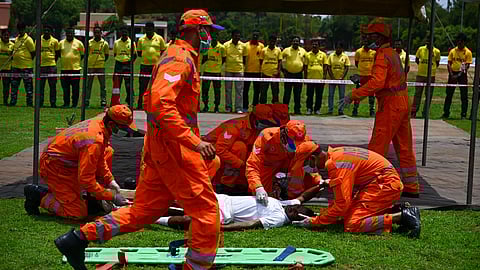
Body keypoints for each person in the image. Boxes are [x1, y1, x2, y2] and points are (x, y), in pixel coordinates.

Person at [54, 9, 225, 270]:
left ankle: (78, 238)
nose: (210, 37)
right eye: (208, 31)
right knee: (206, 210)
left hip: (162, 148)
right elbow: (159, 104)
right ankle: (198, 267)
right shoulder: (180, 59)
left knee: (144, 212)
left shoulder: (178, 56)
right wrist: (193, 141)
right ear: (196, 30)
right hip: (176, 150)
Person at [341, 18, 419, 197]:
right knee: (404, 146)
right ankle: (411, 186)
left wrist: (354, 95)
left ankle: (369, 184)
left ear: (379, 36)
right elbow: (386, 81)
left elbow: (378, 83)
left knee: (377, 145)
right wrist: (363, 79)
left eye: (370, 35)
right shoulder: (392, 53)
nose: (366, 39)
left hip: (391, 105)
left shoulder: (383, 55)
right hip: (402, 101)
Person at [23, 105, 134, 219]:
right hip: (54, 167)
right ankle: (37, 195)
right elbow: (86, 179)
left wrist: (110, 180)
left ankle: (92, 199)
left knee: (108, 151)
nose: (125, 133)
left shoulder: (99, 124)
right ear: (111, 124)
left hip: (65, 163)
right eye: (122, 129)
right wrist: (111, 196)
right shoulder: (94, 140)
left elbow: (99, 158)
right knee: (76, 213)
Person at [292, 146, 421, 238]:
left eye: (305, 163)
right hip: (379, 183)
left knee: (352, 224)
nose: (306, 168)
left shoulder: (338, 165)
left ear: (313, 158)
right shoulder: (336, 154)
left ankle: (403, 216)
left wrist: (315, 222)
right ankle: (395, 211)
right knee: (348, 215)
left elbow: (342, 204)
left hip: (384, 186)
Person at [156, 184, 324, 231]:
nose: (293, 209)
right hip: (222, 199)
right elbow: (302, 197)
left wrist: (223, 228)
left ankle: (154, 219)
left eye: (295, 212)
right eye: (295, 208)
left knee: (188, 220)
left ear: (296, 219)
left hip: (224, 213)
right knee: (182, 201)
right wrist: (321, 185)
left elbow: (251, 224)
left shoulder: (279, 218)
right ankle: (140, 207)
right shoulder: (285, 205)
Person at [202, 104, 278, 194]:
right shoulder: (235, 126)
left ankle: (241, 184)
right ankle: (226, 185)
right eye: (264, 122)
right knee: (239, 147)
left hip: (229, 154)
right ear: (254, 118)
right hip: (210, 150)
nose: (265, 125)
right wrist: (241, 164)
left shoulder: (255, 129)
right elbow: (220, 149)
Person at [247, 120, 321, 204]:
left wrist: (318, 180)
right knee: (263, 199)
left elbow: (309, 164)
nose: (296, 146)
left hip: (291, 165)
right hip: (268, 166)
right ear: (284, 135)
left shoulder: (305, 140)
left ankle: (293, 198)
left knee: (307, 153)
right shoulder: (266, 136)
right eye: (293, 142)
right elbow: (252, 164)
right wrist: (258, 187)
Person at [442, 32, 472, 120]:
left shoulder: (468, 52)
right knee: (449, 94)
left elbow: (467, 65)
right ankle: (446, 112)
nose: (459, 43)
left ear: (464, 42)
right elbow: (449, 63)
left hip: (462, 75)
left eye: (461, 41)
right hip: (452, 74)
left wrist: (459, 74)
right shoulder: (453, 51)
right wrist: (451, 74)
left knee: (464, 95)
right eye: (458, 41)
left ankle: (463, 114)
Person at [137, 22, 166, 109]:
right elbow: (139, 53)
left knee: (156, 87)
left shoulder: (159, 38)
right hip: (144, 66)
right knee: (142, 86)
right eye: (147, 29)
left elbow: (163, 51)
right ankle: (140, 104)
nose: (148, 30)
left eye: (150, 29)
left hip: (156, 67)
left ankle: (155, 105)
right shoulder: (141, 39)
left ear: (153, 29)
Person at [412, 38, 441, 118]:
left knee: (428, 95)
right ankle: (413, 111)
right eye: (427, 41)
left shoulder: (437, 51)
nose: (428, 43)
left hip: (431, 76)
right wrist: (422, 66)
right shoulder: (421, 49)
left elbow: (437, 63)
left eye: (430, 41)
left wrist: (432, 68)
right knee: (417, 94)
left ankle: (425, 113)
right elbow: (417, 60)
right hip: (420, 75)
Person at [10, 22, 35, 107]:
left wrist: (26, 59)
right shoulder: (17, 38)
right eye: (19, 29)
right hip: (15, 66)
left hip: (26, 67)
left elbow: (33, 52)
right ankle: (13, 102)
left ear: (24, 29)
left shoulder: (28, 39)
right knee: (14, 86)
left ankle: (29, 103)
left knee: (28, 88)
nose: (20, 31)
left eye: (22, 29)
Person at [59, 27, 85, 108]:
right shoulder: (61, 43)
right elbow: (58, 54)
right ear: (66, 34)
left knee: (75, 89)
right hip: (64, 69)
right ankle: (66, 103)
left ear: (73, 34)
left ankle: (74, 104)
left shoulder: (79, 43)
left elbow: (82, 54)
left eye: (71, 33)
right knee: (65, 89)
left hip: (75, 70)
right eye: (68, 33)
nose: (69, 34)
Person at [111, 26, 137, 106]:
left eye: (126, 32)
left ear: (128, 33)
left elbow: (134, 55)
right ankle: (116, 101)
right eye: (123, 32)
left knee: (128, 84)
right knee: (117, 83)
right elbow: (115, 54)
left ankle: (129, 101)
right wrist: (120, 59)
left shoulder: (132, 43)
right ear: (120, 33)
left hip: (127, 64)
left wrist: (128, 63)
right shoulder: (116, 42)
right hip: (118, 64)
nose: (124, 34)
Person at [223, 29, 247, 113]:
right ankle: (228, 107)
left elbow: (244, 58)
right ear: (232, 36)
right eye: (236, 36)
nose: (238, 37)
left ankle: (238, 108)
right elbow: (224, 58)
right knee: (228, 90)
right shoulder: (226, 45)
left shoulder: (243, 46)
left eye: (239, 36)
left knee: (239, 90)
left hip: (239, 70)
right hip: (228, 69)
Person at [282, 36, 306, 115]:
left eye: (297, 41)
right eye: (294, 41)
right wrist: (283, 70)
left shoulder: (303, 51)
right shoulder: (286, 50)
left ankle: (297, 110)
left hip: (298, 75)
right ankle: (284, 110)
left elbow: (305, 62)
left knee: (297, 93)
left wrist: (302, 69)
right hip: (288, 74)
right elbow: (280, 60)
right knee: (287, 93)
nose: (295, 42)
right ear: (291, 42)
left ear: (299, 42)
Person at [86, 25, 109, 108]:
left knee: (103, 85)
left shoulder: (104, 43)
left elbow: (106, 55)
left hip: (101, 66)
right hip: (90, 66)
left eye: (98, 32)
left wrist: (101, 60)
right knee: (88, 85)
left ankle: (103, 101)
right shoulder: (89, 42)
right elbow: (86, 54)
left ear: (101, 33)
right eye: (95, 32)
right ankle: (86, 101)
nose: (97, 34)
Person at [201, 31, 224, 113]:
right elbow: (204, 58)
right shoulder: (207, 46)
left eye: (216, 36)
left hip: (217, 73)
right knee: (205, 90)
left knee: (217, 91)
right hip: (207, 72)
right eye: (213, 36)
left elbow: (223, 59)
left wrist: (218, 67)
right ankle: (206, 106)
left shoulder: (221, 47)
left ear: (218, 37)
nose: (214, 38)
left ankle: (216, 107)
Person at [352, 37, 376, 117]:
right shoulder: (358, 52)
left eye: (368, 41)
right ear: (363, 42)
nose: (366, 43)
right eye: (365, 41)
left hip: (370, 76)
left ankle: (372, 110)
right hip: (361, 76)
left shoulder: (374, 52)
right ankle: (355, 110)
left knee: (371, 95)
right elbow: (356, 63)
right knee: (358, 93)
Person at [304, 38, 327, 115]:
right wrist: (305, 78)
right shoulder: (308, 54)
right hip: (310, 79)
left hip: (320, 79)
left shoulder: (323, 55)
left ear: (319, 46)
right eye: (313, 44)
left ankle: (317, 109)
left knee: (319, 95)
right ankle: (309, 108)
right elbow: (305, 67)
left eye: (316, 45)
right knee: (309, 95)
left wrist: (324, 77)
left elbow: (325, 66)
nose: (314, 46)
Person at [39, 25, 60, 108]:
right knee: (40, 86)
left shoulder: (55, 41)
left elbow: (57, 53)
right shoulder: (38, 40)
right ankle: (40, 102)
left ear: (51, 32)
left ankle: (53, 102)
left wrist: (52, 61)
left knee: (52, 86)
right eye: (45, 30)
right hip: (41, 66)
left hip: (51, 66)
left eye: (48, 30)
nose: (46, 32)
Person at [326, 41, 350, 115]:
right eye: (337, 48)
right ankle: (330, 110)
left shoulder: (345, 56)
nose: (338, 49)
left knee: (342, 95)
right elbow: (328, 67)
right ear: (335, 48)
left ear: (342, 48)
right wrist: (332, 77)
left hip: (342, 80)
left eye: (339, 48)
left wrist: (342, 77)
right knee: (330, 95)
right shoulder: (331, 56)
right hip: (332, 79)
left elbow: (346, 67)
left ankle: (341, 110)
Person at [243, 30, 264, 110]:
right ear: (251, 36)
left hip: (257, 72)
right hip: (247, 71)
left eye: (257, 36)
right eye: (254, 35)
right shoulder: (246, 45)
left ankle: (255, 106)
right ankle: (245, 106)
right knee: (245, 90)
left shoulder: (261, 46)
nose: (255, 37)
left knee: (257, 91)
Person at [259, 34, 282, 104]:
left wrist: (278, 71)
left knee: (275, 92)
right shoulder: (264, 50)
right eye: (271, 40)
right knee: (263, 92)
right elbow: (261, 61)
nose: (272, 42)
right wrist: (263, 71)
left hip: (274, 74)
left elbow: (280, 61)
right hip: (265, 74)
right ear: (268, 41)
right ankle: (263, 106)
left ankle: (275, 107)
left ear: (275, 42)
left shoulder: (278, 50)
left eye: (274, 41)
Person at [0, 29, 14, 106]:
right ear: (1, 35)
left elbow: (13, 57)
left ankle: (5, 101)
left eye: (7, 35)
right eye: (4, 35)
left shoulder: (12, 45)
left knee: (6, 86)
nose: (6, 36)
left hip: (7, 68)